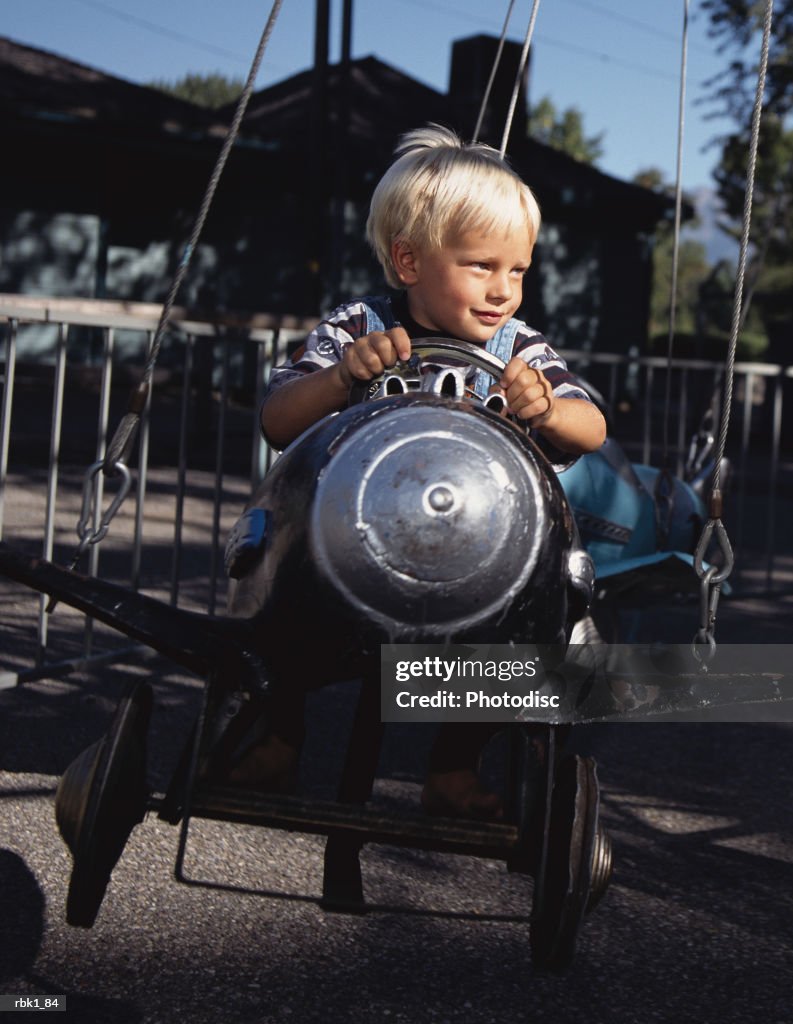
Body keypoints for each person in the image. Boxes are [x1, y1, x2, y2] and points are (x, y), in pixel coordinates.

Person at [230, 124, 606, 818]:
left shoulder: (517, 346)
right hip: (348, 532)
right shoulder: (359, 326)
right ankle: (280, 734)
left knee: (519, 636)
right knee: (277, 594)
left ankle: (453, 766)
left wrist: (546, 406)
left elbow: (591, 426)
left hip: (480, 546)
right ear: (407, 261)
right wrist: (342, 376)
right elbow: (280, 419)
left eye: (517, 270)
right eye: (479, 266)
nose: (503, 291)